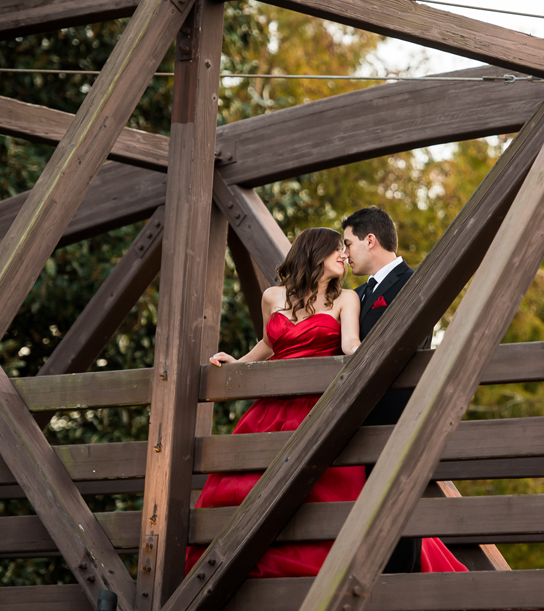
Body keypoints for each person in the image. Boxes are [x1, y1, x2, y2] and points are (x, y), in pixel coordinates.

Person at [185, 225, 463, 578]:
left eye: (346, 250)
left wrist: (380, 357)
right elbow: (269, 346)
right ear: (316, 252)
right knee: (247, 485)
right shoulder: (272, 297)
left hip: (317, 407)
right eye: (338, 250)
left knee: (317, 491)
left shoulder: (347, 298)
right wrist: (235, 363)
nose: (345, 256)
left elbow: (350, 345)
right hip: (270, 410)